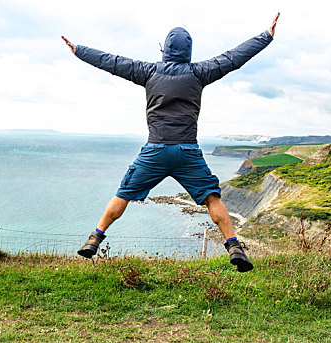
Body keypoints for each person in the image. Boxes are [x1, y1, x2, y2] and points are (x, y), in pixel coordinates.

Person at [62, 13, 280, 272]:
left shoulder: (148, 71)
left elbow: (113, 62)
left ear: (165, 50)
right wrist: (266, 36)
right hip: (187, 152)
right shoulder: (199, 72)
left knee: (123, 193)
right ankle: (233, 246)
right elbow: (233, 57)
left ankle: (95, 238)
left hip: (155, 151)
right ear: (188, 51)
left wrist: (79, 50)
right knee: (212, 197)